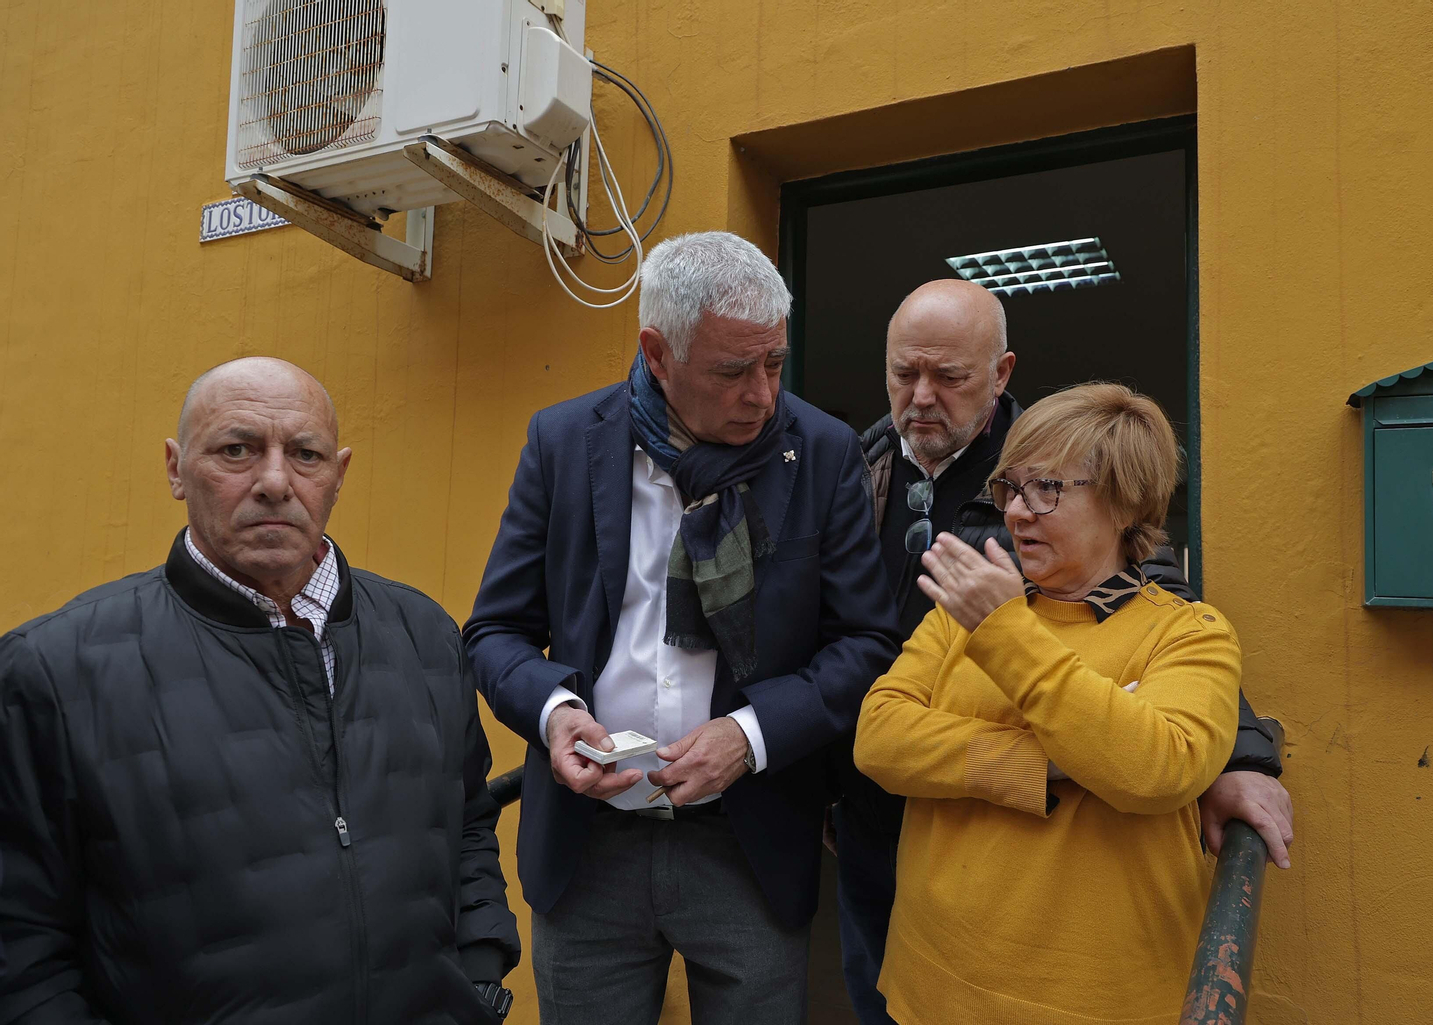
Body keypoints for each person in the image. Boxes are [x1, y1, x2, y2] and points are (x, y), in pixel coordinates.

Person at [0, 358, 521, 1025]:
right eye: (237, 449)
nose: (275, 482)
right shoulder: (52, 669)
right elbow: (20, 946)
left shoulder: (423, 634)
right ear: (174, 468)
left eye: (305, 454)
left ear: (338, 475)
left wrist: (479, 972)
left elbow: (469, 819)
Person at [465, 231, 900, 1025]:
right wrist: (557, 716)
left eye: (775, 362)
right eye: (734, 370)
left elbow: (866, 643)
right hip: (587, 843)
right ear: (657, 353)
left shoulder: (825, 451)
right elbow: (494, 631)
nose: (764, 395)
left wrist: (751, 733)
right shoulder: (562, 442)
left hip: (750, 841)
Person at [835, 279, 1292, 1025]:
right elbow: (879, 735)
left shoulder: (1185, 630)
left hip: (1093, 1000)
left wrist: (1004, 632)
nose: (1014, 511)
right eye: (1010, 486)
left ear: (1123, 500)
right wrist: (1054, 759)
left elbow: (1153, 765)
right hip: (930, 982)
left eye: (1046, 489)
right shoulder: (921, 559)